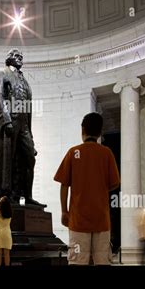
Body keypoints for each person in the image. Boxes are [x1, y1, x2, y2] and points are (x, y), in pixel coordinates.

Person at [54, 112, 120, 265]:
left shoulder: (73, 152)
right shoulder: (107, 153)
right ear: (100, 133)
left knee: (77, 261)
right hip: (101, 220)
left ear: (82, 130)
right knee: (102, 261)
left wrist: (64, 211)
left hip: (78, 219)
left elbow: (64, 184)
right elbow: (114, 184)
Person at [0, 48, 45, 207]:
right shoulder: (2, 74)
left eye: (21, 56)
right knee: (8, 160)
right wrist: (5, 120)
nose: (20, 58)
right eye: (16, 56)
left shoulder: (24, 80)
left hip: (24, 125)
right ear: (9, 58)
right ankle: (6, 195)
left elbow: (28, 108)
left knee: (29, 158)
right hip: (10, 121)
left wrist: (31, 137)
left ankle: (28, 196)